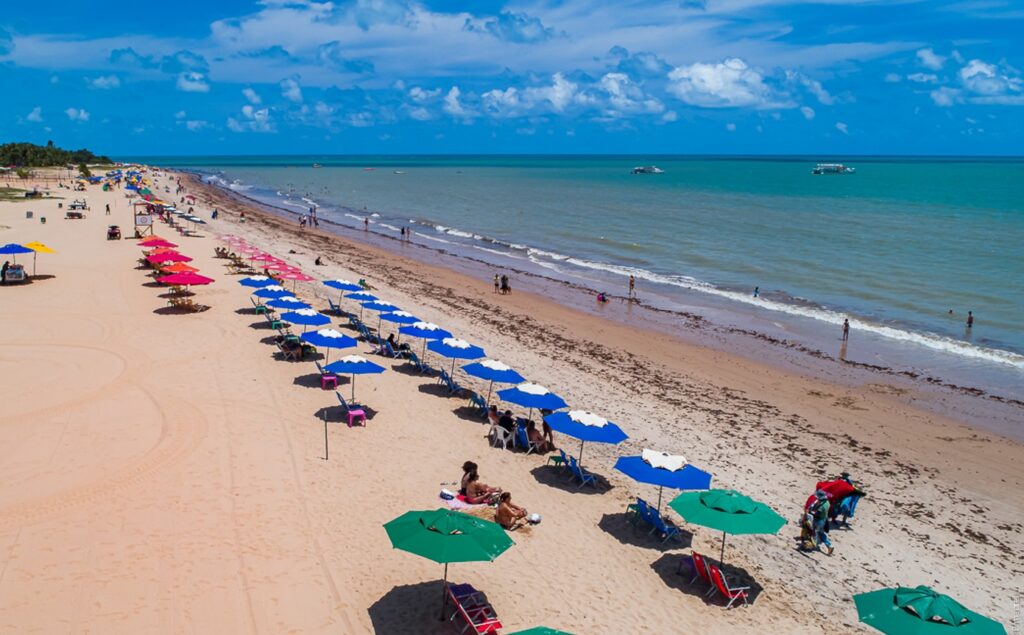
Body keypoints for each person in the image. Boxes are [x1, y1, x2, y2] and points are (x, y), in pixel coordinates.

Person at [809, 490, 833, 555]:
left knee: (815, 532)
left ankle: (813, 545)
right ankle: (829, 545)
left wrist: (811, 512)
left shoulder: (822, 505)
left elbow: (817, 513)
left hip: (819, 521)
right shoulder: (827, 502)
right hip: (824, 520)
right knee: (821, 533)